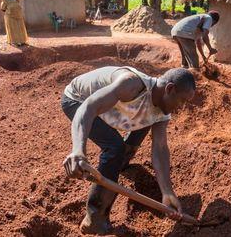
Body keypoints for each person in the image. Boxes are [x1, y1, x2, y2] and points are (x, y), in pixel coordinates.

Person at [61, 66, 196, 235]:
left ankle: (118, 163)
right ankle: (94, 219)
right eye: (182, 101)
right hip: (78, 101)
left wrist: (167, 192)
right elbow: (88, 108)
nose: (182, 107)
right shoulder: (131, 85)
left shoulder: (162, 111)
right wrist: (78, 150)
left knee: (147, 120)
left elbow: (160, 148)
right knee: (114, 148)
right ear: (169, 89)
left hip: (111, 110)